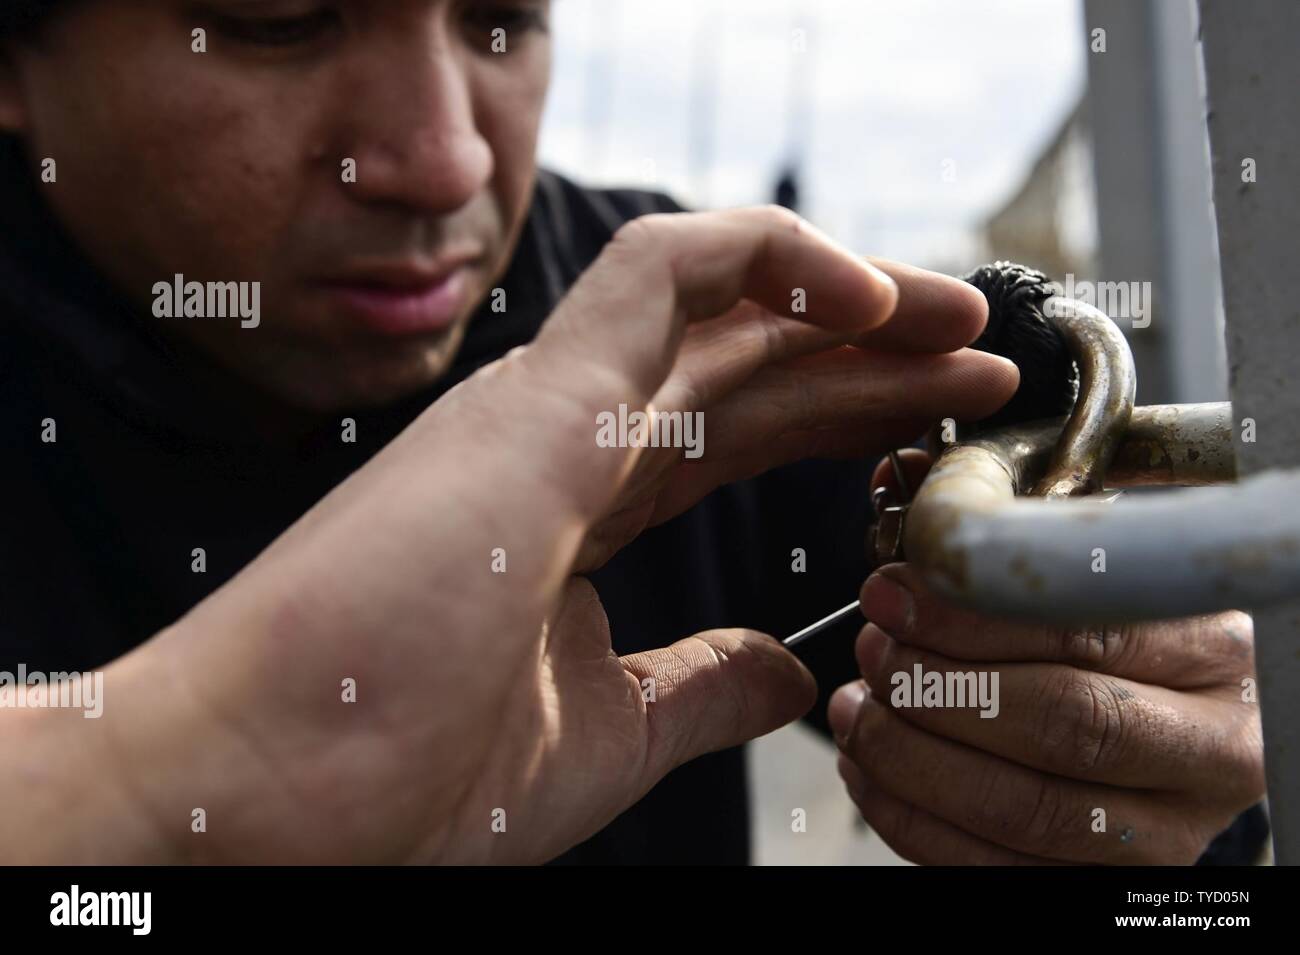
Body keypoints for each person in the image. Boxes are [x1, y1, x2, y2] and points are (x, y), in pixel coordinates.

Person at [0, 0, 1266, 864]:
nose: (441, 159)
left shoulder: (700, 353)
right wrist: (162, 788)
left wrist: (1177, 797)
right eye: (280, 21)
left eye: (500, 21)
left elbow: (1114, 729)